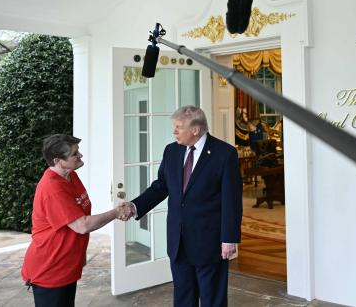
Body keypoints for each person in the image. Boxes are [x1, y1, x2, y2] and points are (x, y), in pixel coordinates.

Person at [122, 105, 242, 307]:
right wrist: (135, 206)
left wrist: (229, 238)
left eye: (178, 127)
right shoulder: (172, 151)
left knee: (213, 299)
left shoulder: (225, 154)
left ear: (195, 130)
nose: (174, 131)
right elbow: (160, 187)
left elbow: (232, 200)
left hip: (209, 242)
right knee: (183, 298)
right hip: (178, 242)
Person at [21, 134, 128, 307]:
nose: (80, 156)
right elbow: (82, 225)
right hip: (50, 268)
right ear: (58, 160)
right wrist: (116, 212)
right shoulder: (52, 188)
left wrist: (78, 255)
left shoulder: (70, 176)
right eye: (74, 154)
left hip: (66, 263)